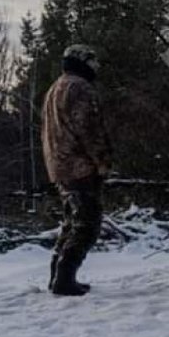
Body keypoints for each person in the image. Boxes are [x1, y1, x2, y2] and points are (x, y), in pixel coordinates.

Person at [40, 44, 113, 297]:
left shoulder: (56, 87)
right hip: (79, 166)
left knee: (72, 222)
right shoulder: (80, 88)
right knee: (87, 224)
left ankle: (57, 275)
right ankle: (64, 278)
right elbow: (90, 130)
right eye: (93, 62)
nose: (96, 67)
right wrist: (103, 161)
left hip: (59, 165)